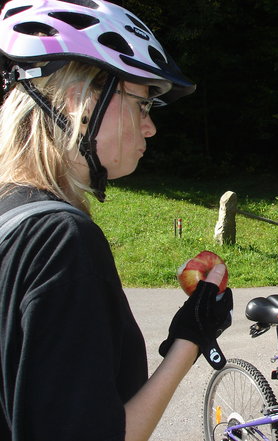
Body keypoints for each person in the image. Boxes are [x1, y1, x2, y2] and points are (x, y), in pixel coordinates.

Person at [0, 1, 232, 440]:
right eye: (142, 105)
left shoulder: (10, 214)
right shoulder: (59, 239)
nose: (150, 129)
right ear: (78, 104)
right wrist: (192, 337)